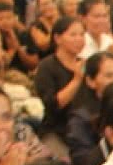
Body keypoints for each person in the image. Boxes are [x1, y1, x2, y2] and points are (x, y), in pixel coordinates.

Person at [33, 16, 86, 157]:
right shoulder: (47, 66)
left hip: (83, 129)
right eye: (73, 35)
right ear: (57, 38)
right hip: (56, 130)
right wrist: (77, 80)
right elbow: (53, 105)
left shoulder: (85, 63)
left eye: (82, 34)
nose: (79, 39)